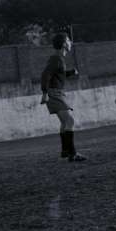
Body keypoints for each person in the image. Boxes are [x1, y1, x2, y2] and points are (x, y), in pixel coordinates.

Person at [40, 33, 86, 162]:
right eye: (68, 40)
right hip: (54, 93)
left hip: (56, 92)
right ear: (64, 44)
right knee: (69, 121)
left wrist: (70, 72)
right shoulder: (57, 59)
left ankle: (65, 151)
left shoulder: (58, 59)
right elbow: (45, 75)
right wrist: (44, 93)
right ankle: (72, 154)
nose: (70, 42)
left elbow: (57, 73)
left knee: (64, 122)